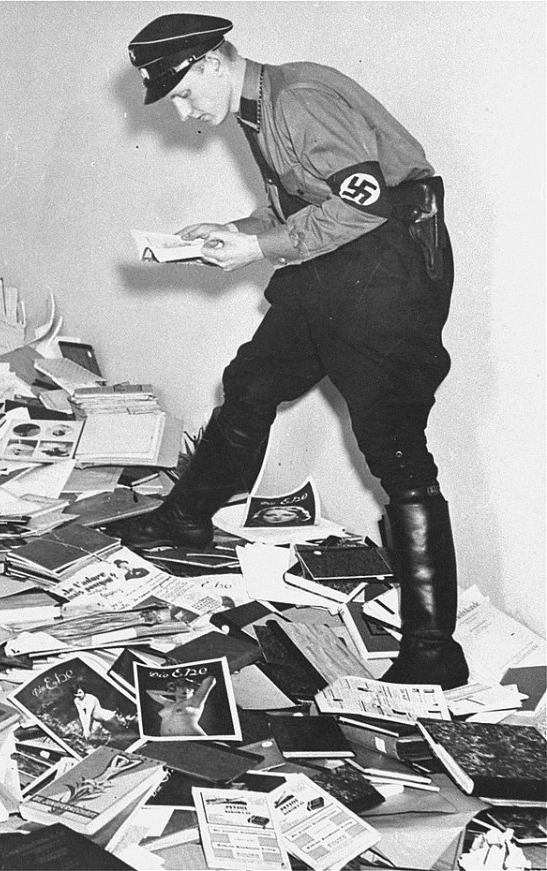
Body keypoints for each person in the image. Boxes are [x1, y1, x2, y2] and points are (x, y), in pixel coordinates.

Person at [113, 14, 467, 689]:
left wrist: (259, 248)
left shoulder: (297, 99)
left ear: (216, 62)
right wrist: (236, 231)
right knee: (251, 382)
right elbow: (306, 202)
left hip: (386, 267)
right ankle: (185, 519)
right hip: (336, 264)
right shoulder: (260, 106)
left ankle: (434, 649)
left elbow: (365, 201)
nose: (184, 111)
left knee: (393, 446)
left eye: (184, 92)